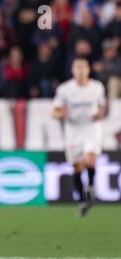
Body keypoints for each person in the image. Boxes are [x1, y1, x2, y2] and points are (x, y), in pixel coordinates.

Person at [52, 57, 106, 217]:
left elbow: (102, 105)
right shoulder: (65, 89)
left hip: (91, 128)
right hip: (73, 131)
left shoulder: (97, 87)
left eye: (83, 67)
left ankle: (90, 188)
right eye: (77, 67)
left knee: (90, 159)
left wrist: (100, 114)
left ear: (88, 69)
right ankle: (83, 201)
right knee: (77, 167)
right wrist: (61, 113)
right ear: (73, 70)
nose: (81, 71)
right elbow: (54, 110)